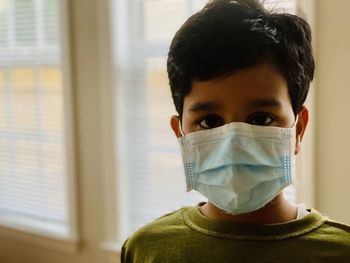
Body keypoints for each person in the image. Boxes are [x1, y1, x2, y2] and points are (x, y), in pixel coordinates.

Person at [121, 0, 350, 262]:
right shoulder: (145, 250)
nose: (234, 142)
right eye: (209, 121)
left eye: (261, 119)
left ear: (298, 130)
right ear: (180, 133)